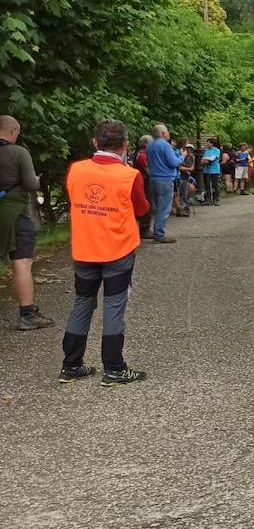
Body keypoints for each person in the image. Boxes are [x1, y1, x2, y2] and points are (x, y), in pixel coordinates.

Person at [59, 119, 150, 385]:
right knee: (114, 305)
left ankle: (71, 364)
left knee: (83, 302)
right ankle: (114, 368)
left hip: (85, 248)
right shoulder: (129, 175)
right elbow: (142, 209)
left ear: (95, 143)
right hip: (117, 249)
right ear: (124, 145)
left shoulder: (76, 170)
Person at [0, 115, 53, 330]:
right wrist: (38, 180)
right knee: (22, 260)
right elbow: (31, 184)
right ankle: (27, 314)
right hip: (14, 213)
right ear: (13, 131)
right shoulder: (18, 152)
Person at [143, 124, 182, 243]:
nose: (169, 134)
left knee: (157, 207)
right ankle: (159, 234)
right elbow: (173, 162)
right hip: (165, 179)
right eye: (167, 132)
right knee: (164, 208)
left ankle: (155, 231)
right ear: (163, 133)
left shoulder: (150, 146)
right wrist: (182, 157)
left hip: (153, 178)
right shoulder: (165, 145)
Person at [200, 136, 222, 206]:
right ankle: (208, 199)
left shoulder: (217, 150)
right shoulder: (206, 150)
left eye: (208, 143)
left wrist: (207, 159)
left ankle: (216, 199)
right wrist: (206, 160)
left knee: (215, 185)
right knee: (207, 185)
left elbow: (213, 158)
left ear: (212, 143)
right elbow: (203, 159)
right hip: (206, 170)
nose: (207, 144)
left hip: (214, 170)